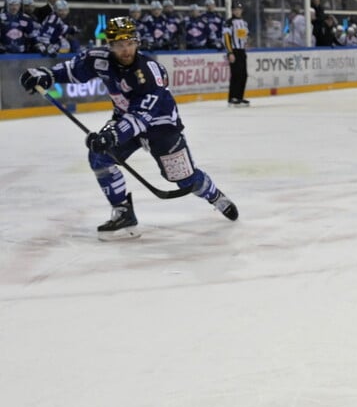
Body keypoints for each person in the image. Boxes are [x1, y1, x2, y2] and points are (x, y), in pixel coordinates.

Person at [18, 16, 238, 240]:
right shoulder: (99, 59)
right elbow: (72, 69)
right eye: (120, 45)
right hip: (125, 119)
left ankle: (214, 195)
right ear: (110, 45)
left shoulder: (150, 72)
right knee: (99, 156)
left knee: (184, 180)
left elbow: (140, 117)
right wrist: (46, 75)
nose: (126, 50)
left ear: (137, 42)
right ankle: (124, 212)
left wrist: (112, 135)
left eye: (130, 43)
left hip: (161, 126)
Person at [223, 1, 250, 106]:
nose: (237, 11)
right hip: (234, 51)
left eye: (239, 9)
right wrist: (230, 52)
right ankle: (232, 97)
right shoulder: (229, 22)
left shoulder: (244, 23)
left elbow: (244, 36)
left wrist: (246, 43)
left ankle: (240, 96)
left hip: (242, 51)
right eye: (235, 10)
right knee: (236, 74)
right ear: (232, 11)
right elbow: (226, 38)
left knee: (244, 75)